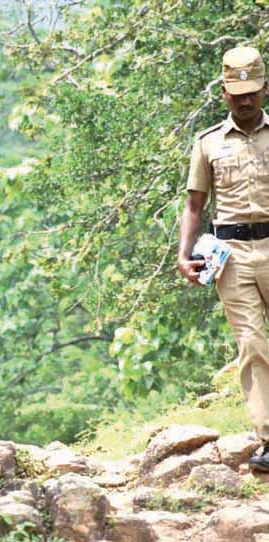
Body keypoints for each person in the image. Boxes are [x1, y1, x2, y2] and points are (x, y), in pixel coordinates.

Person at [178, 46, 269, 473]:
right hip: (231, 256)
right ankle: (268, 438)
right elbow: (194, 204)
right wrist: (183, 255)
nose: (246, 100)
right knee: (251, 345)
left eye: (252, 92)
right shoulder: (208, 143)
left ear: (265, 89)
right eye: (238, 94)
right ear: (224, 93)